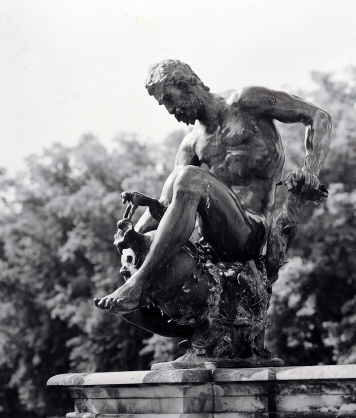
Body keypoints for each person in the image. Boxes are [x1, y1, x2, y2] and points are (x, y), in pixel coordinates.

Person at [94, 60, 331, 313]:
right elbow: (165, 205)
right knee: (179, 179)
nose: (172, 111)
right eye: (165, 106)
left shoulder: (248, 100)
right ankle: (144, 292)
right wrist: (132, 235)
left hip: (252, 231)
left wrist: (310, 170)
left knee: (188, 177)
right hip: (214, 240)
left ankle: (138, 284)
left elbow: (318, 116)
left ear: (185, 85)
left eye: (170, 100)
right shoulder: (191, 143)